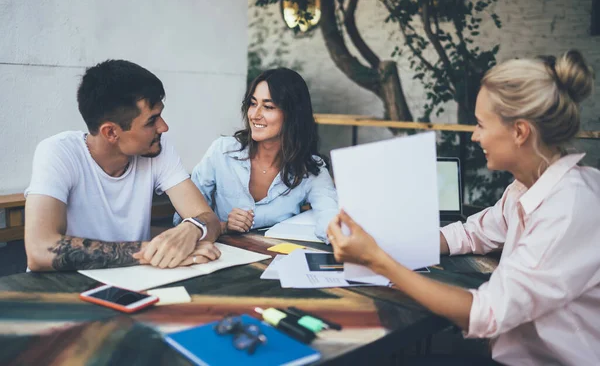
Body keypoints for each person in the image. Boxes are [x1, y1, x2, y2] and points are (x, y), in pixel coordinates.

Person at [327, 50, 599, 365]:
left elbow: (484, 313)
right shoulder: (526, 187)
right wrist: (387, 241)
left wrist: (378, 261)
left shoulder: (571, 207)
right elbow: (472, 233)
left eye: (481, 124)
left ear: (520, 131)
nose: (473, 136)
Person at [25, 60, 222, 272]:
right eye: (151, 121)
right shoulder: (59, 152)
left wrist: (193, 228)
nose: (163, 127)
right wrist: (154, 251)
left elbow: (208, 218)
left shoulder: (157, 147)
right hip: (64, 289)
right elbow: (39, 251)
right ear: (110, 132)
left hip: (133, 282)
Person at [174, 68, 337, 242]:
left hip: (274, 260)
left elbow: (330, 216)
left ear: (293, 115)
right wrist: (223, 226)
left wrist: (343, 240)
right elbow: (183, 220)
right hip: (219, 256)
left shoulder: (311, 168)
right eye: (253, 104)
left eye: (268, 107)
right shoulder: (223, 152)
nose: (255, 115)